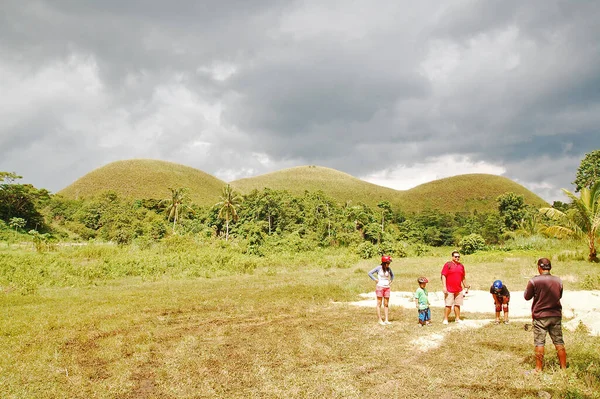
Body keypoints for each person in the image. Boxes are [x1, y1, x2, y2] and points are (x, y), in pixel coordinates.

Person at [524, 258, 567, 373]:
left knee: (539, 342)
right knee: (559, 342)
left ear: (539, 267)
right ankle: (563, 369)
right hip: (555, 315)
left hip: (540, 316)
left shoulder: (534, 281)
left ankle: (538, 369)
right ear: (550, 267)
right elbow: (559, 296)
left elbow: (527, 297)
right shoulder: (559, 281)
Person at [441, 251, 470, 324]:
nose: (457, 258)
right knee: (448, 305)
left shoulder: (461, 266)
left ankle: (457, 318)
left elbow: (463, 277)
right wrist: (444, 286)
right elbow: (443, 275)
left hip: (458, 289)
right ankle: (445, 319)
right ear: (452, 257)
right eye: (455, 256)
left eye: (458, 257)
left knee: (458, 304)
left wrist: (465, 286)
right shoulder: (448, 265)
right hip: (449, 289)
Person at [368, 255, 394, 325]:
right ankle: (379, 319)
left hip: (387, 287)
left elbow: (392, 275)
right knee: (379, 303)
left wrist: (391, 280)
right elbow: (369, 273)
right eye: (388, 263)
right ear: (384, 262)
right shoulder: (378, 268)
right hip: (380, 287)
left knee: (386, 304)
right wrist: (375, 279)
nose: (389, 264)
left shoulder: (389, 269)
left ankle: (386, 319)